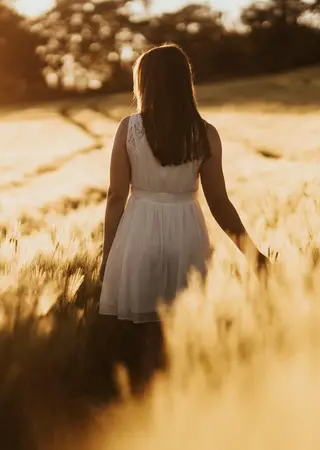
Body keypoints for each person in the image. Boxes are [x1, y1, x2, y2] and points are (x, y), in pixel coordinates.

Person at [97, 43, 270, 391]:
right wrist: (252, 253)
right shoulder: (206, 133)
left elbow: (116, 195)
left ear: (143, 84)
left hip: (137, 234)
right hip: (186, 234)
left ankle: (140, 401)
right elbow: (219, 202)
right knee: (183, 328)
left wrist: (108, 252)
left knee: (142, 332)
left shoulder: (128, 129)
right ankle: (181, 398)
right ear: (183, 82)